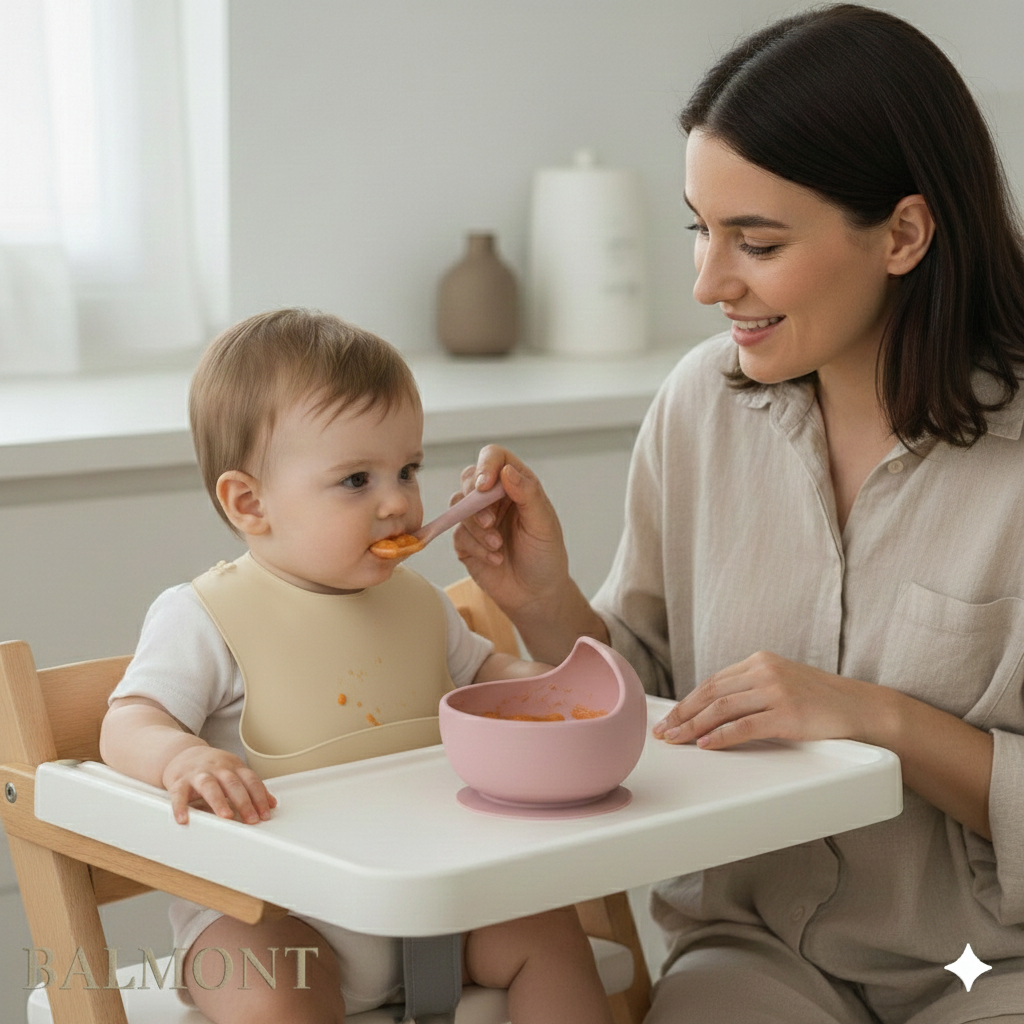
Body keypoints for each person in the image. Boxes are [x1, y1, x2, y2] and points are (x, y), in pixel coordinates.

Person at [454, 6, 1024, 1024]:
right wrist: (546, 606)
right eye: (699, 228)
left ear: (902, 233)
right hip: (760, 948)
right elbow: (657, 708)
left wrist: (876, 719)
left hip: (992, 968)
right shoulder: (699, 404)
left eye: (754, 242)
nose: (708, 282)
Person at [99, 308, 614, 1024]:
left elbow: (491, 678)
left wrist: (558, 691)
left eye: (407, 469)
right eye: (355, 481)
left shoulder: (421, 604)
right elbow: (128, 720)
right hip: (272, 915)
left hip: (435, 899)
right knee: (272, 984)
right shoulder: (205, 616)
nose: (399, 501)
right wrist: (181, 760)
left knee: (550, 933)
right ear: (250, 502)